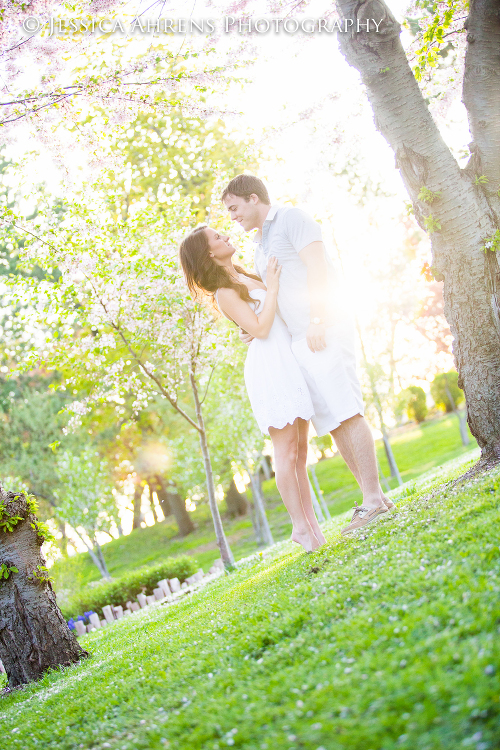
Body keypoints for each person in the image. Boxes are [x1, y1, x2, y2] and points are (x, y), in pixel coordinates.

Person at [221, 174, 395, 534]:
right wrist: (251, 327)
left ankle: (375, 499)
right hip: (299, 341)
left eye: (234, 208)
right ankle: (370, 500)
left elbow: (318, 268)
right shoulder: (258, 244)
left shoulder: (292, 219)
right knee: (332, 420)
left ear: (253, 198)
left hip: (323, 327)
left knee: (347, 409)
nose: (232, 217)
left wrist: (318, 317)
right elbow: (276, 292)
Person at [179, 225, 326, 552]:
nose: (225, 237)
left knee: (301, 452)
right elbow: (259, 329)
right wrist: (271, 288)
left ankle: (312, 526)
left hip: (286, 360)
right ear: (209, 254)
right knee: (286, 452)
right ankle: (300, 528)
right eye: (217, 238)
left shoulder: (243, 277)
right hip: (270, 368)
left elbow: (265, 319)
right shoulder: (223, 291)